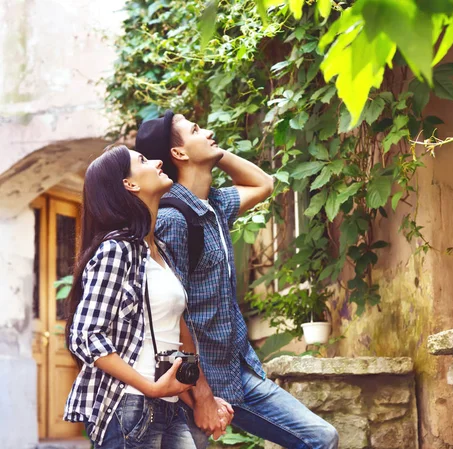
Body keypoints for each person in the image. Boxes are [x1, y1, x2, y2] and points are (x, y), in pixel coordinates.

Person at [135, 110, 339, 448]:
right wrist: (201, 396)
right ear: (179, 153)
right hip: (194, 384)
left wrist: (212, 151)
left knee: (320, 437)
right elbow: (174, 315)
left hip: (236, 369)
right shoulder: (173, 219)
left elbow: (264, 184)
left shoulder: (214, 204)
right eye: (197, 130)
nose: (208, 130)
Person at [63, 145, 210, 449]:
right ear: (129, 184)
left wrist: (196, 397)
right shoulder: (116, 250)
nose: (157, 161)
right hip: (130, 407)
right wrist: (151, 388)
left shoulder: (156, 251)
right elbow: (85, 334)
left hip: (169, 406)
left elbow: (164, 334)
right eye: (142, 160)